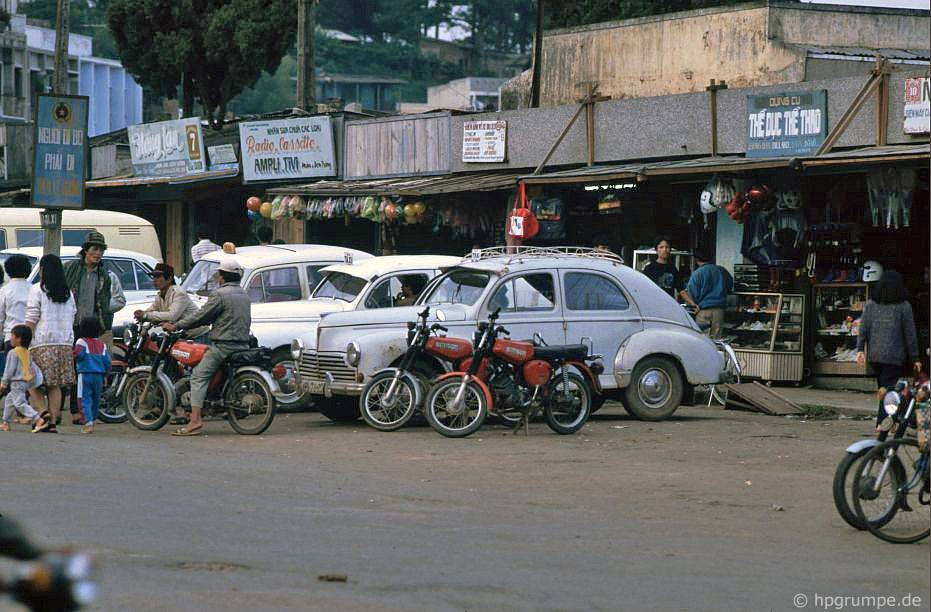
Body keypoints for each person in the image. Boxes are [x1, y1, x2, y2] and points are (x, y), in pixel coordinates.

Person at [161, 258, 251, 436]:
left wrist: (177, 325)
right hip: (243, 344)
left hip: (223, 346)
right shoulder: (244, 294)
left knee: (197, 377)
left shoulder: (220, 295)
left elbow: (200, 316)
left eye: (219, 274)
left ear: (223, 277)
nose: (217, 277)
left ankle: (194, 420)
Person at [855, 270, 921, 427]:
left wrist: (859, 349)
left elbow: (863, 328)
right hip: (894, 356)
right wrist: (916, 358)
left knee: (884, 387)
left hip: (875, 356)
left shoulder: (871, 304)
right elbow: (910, 334)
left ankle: (891, 421)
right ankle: (882, 423)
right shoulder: (904, 306)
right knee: (888, 390)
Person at [25, 254, 77, 431]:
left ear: (42, 270)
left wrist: (23, 337)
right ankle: (53, 422)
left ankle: (43, 413)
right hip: (64, 343)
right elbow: (73, 315)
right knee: (55, 385)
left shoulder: (37, 290)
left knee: (32, 381)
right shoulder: (67, 292)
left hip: (42, 342)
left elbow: (32, 316)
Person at [0, 325, 48, 433]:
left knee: (19, 403)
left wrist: (3, 383)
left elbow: (9, 370)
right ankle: (5, 422)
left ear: (19, 339)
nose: (10, 338)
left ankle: (39, 419)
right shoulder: (27, 352)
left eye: (12, 335)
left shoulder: (13, 353)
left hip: (16, 382)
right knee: (9, 401)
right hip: (25, 382)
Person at [681, 249, 733, 339]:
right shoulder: (721, 270)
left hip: (703, 311)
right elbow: (729, 286)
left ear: (696, 259)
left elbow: (692, 294)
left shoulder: (697, 274)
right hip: (719, 311)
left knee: (703, 341)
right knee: (716, 341)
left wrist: (693, 304)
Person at [73, 317, 111, 434]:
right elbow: (107, 362)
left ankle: (88, 422)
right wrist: (106, 374)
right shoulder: (102, 345)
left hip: (85, 374)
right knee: (96, 399)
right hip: (99, 375)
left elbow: (79, 355)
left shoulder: (81, 342)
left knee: (84, 398)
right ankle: (92, 419)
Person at [0, 255, 33, 380]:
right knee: (28, 376)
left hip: (11, 338)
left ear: (8, 270)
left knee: (12, 375)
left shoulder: (4, 291)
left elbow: (0, 318)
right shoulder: (33, 289)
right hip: (31, 338)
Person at [642, 236, 686, 301]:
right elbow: (643, 290)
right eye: (661, 247)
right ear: (656, 250)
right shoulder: (649, 269)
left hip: (669, 305)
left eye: (667, 247)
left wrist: (692, 304)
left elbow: (681, 289)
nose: (664, 250)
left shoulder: (672, 268)